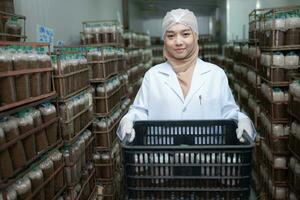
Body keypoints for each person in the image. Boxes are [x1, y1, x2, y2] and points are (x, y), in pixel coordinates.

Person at [117, 8, 256, 143]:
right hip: (163, 158)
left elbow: (228, 112)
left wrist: (241, 119)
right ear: (164, 39)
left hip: (207, 157)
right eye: (171, 36)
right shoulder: (152, 76)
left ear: (195, 36)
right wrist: (129, 119)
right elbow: (141, 112)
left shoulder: (215, 74)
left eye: (185, 34)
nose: (178, 42)